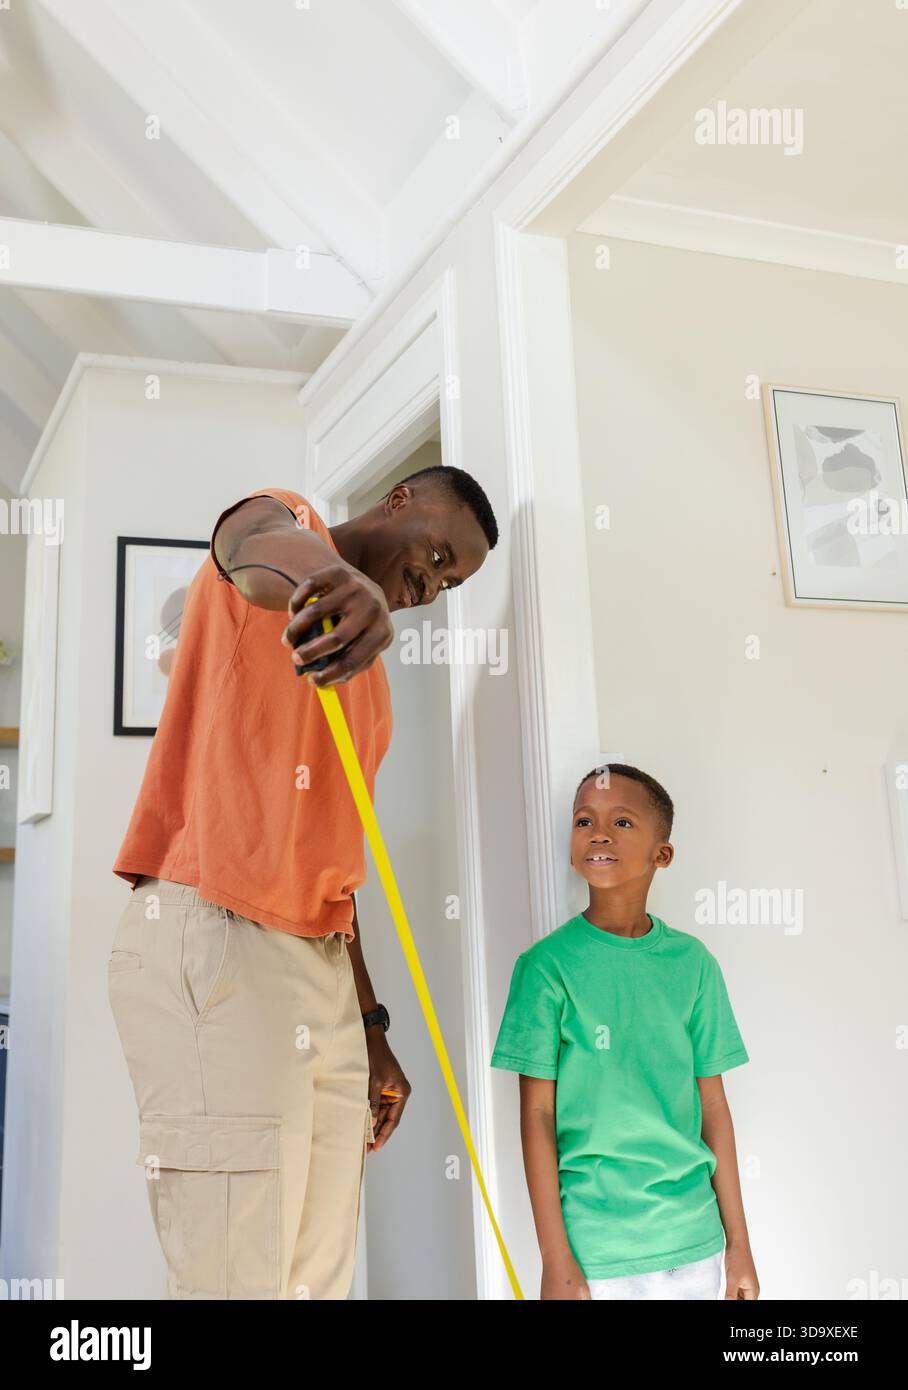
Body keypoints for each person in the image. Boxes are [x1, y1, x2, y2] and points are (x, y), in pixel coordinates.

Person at [107, 466, 498, 1300]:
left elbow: (333, 871)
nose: (429, 584)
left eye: (448, 581)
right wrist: (333, 579)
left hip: (317, 970)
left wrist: (371, 1024)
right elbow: (247, 543)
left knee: (317, 1278)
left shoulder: (373, 692)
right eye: (435, 552)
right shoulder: (289, 531)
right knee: (233, 1278)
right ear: (399, 499)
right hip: (216, 930)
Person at [491, 763, 759, 1301]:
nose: (600, 833)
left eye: (623, 822)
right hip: (596, 1257)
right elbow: (537, 1117)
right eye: (584, 821)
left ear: (662, 854)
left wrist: (739, 1246)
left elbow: (714, 1109)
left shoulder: (693, 964)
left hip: (695, 1247)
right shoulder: (545, 968)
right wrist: (554, 1259)